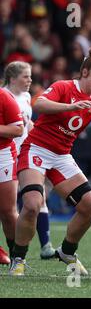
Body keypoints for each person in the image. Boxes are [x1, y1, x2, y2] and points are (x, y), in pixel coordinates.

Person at [9, 45, 91, 276]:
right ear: (84, 73)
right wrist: (70, 106)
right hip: (36, 148)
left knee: (90, 207)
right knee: (32, 204)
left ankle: (67, 251)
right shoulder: (64, 87)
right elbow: (39, 104)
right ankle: (18, 258)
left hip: (62, 156)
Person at [3, 61, 55, 260]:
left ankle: (46, 246)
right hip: (8, 155)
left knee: (37, 198)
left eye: (31, 76)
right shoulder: (5, 96)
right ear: (13, 78)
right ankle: (14, 250)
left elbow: (27, 124)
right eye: (26, 76)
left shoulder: (25, 97)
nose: (30, 80)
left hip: (26, 153)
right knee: (9, 208)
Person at [0, 88, 24, 267]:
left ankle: (17, 256)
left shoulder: (4, 96)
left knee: (8, 211)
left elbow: (18, 129)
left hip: (3, 156)